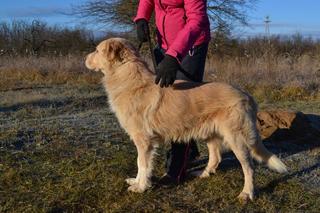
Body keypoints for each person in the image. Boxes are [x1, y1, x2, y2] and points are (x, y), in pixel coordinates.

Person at [134, 0, 211, 185]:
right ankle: (190, 150)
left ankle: (176, 171)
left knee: (182, 107)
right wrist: (141, 17)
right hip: (165, 42)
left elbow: (196, 20)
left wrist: (174, 56)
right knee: (166, 99)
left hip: (191, 45)